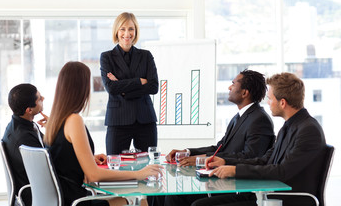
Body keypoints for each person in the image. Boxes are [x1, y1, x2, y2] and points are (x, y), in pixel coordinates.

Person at [192, 72, 326, 206]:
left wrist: (235, 171)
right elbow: (265, 160)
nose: (268, 103)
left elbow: (282, 172)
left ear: (283, 103)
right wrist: (225, 162)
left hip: (285, 200)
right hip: (269, 197)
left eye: (270, 98)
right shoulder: (290, 126)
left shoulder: (308, 130)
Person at [44, 61, 163, 206]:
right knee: (139, 199)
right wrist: (138, 174)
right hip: (77, 200)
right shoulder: (74, 120)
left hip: (63, 197)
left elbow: (63, 157)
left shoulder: (55, 120)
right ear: (81, 88)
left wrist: (90, 158)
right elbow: (93, 175)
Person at [162, 69, 275, 206]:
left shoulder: (259, 119)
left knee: (183, 200)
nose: (229, 87)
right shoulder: (238, 117)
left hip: (238, 188)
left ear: (245, 93)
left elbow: (250, 157)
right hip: (222, 183)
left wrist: (203, 160)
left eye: (233, 84)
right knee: (171, 196)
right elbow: (219, 148)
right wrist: (188, 152)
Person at [100, 12, 159, 155]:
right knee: (115, 168)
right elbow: (111, 88)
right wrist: (139, 81)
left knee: (148, 167)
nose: (127, 33)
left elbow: (153, 86)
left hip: (145, 120)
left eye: (131, 29)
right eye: (122, 29)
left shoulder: (146, 55)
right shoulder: (106, 57)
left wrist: (124, 89)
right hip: (118, 120)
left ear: (136, 31)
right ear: (116, 31)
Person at [2, 83, 46, 206]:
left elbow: (47, 145)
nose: (43, 99)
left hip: (35, 191)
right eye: (39, 98)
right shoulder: (24, 138)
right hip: (38, 195)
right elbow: (48, 167)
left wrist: (53, 126)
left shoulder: (19, 126)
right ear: (29, 110)